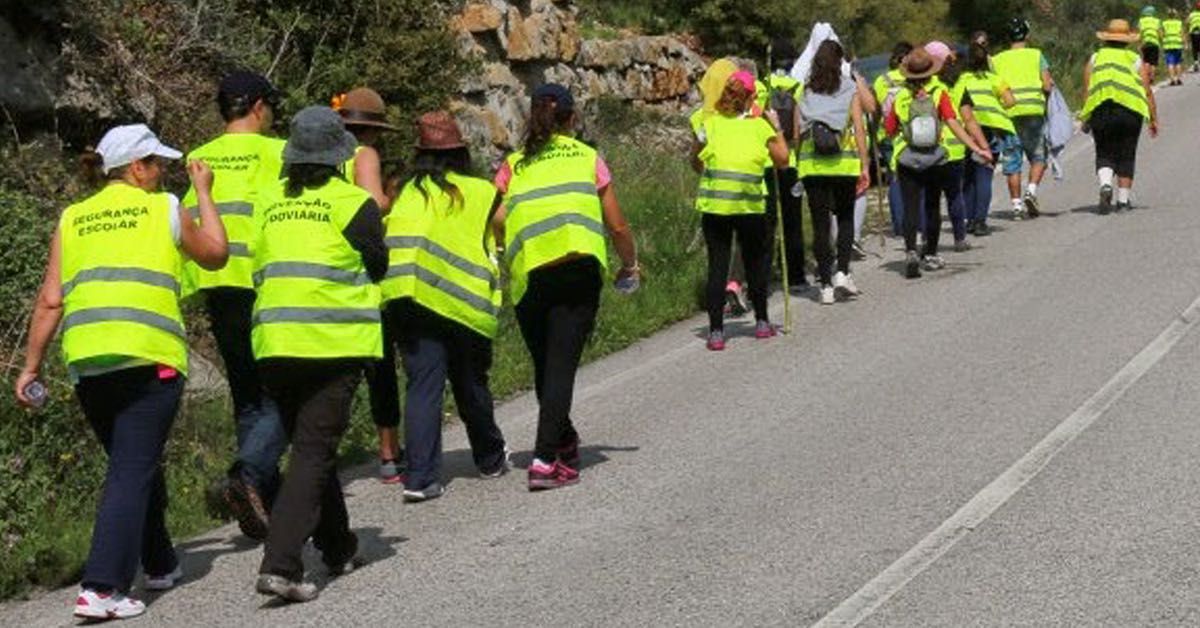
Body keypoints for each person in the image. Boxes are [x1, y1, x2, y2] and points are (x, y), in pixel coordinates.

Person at [15, 124, 228, 620]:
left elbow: (51, 299)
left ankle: (159, 562)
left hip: (89, 362)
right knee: (131, 468)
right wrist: (202, 192)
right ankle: (103, 587)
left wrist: (30, 367)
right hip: (147, 357)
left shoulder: (73, 217)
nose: (162, 173)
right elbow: (216, 254)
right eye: (157, 164)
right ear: (137, 168)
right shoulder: (165, 207)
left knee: (135, 460)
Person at [251, 106, 388, 602]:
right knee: (313, 452)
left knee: (313, 448)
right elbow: (377, 266)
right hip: (333, 344)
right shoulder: (355, 204)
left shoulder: (266, 202)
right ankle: (281, 564)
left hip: (275, 345)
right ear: (339, 158)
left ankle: (337, 547)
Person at [492, 83, 639, 491]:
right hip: (576, 269)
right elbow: (618, 225)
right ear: (571, 118)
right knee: (559, 367)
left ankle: (564, 438)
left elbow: (498, 218)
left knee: (547, 363)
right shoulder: (587, 157)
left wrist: (512, 241)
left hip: (531, 273)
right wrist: (630, 265)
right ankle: (543, 459)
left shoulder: (515, 164)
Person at [380, 112, 509, 502]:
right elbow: (503, 225)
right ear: (460, 153)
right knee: (470, 382)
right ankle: (488, 457)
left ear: (420, 154)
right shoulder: (481, 191)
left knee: (422, 386)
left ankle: (420, 479)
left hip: (407, 298)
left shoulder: (402, 190)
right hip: (460, 302)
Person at [184, 71, 286, 542]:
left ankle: (259, 497)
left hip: (219, 287)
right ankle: (249, 475)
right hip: (267, 286)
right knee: (287, 393)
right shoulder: (277, 152)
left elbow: (190, 224)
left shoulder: (199, 158)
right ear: (260, 106)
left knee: (248, 395)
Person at [333, 87, 404, 484]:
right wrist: (392, 196)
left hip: (330, 265)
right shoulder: (365, 155)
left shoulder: (325, 157)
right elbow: (372, 203)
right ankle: (389, 453)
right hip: (364, 266)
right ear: (373, 129)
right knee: (380, 369)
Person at [691, 71, 789, 348]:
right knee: (755, 262)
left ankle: (716, 332)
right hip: (749, 205)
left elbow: (695, 161)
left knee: (717, 265)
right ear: (747, 98)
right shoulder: (759, 126)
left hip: (715, 206)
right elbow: (782, 160)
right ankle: (760, 322)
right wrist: (777, 127)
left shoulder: (709, 124)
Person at [885, 48, 992, 279]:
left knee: (911, 207)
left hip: (907, 159)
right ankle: (930, 254)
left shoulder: (900, 96)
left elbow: (890, 129)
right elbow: (952, 122)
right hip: (934, 158)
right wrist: (976, 147)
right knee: (932, 206)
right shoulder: (939, 91)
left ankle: (911, 251)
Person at [797, 39, 869, 305]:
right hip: (843, 164)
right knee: (846, 219)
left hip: (812, 166)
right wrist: (864, 163)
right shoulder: (849, 88)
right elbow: (859, 128)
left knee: (820, 224)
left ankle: (825, 285)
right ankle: (842, 272)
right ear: (840, 62)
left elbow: (797, 131)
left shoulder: (804, 90)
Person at [1081, 19, 1159, 214]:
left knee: (1104, 151)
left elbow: (1087, 89)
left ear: (1107, 38)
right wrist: (1153, 117)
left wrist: (1086, 116)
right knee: (1127, 152)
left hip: (1101, 109)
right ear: (1127, 40)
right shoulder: (1134, 59)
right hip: (1129, 112)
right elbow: (1146, 90)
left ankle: (1106, 184)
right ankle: (1123, 201)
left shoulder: (1095, 58)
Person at [927, 41, 991, 252]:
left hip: (929, 149)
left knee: (931, 199)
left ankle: (929, 243)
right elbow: (969, 120)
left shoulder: (925, 85)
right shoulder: (958, 84)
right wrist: (982, 146)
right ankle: (959, 238)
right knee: (955, 195)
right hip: (955, 150)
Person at [992, 17, 1055, 219]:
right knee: (1038, 156)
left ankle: (1017, 206)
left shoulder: (996, 60)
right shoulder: (1036, 55)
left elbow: (995, 88)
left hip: (1008, 114)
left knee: (1012, 160)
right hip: (1034, 111)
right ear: (1026, 34)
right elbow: (1046, 85)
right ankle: (1032, 191)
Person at [762, 38, 810, 293]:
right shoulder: (798, 87)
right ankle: (796, 276)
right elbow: (800, 129)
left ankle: (763, 274)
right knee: (792, 222)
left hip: (767, 163)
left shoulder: (762, 87)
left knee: (767, 221)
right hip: (790, 162)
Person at [960, 32, 1019, 237]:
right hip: (989, 130)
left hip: (966, 131)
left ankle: (968, 219)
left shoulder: (961, 80)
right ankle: (980, 221)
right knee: (984, 175)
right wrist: (997, 105)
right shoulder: (995, 80)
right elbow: (1011, 101)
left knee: (968, 176)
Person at [873, 42, 915, 237]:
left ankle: (899, 225)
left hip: (887, 134)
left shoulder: (882, 81)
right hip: (911, 134)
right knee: (914, 178)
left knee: (895, 177)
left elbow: (875, 109)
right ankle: (914, 222)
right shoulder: (914, 79)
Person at [1162, 8, 1186, 86]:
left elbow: (1162, 35)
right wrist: (1185, 44)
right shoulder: (1179, 23)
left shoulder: (1164, 23)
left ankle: (1172, 80)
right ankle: (1178, 79)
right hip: (1177, 44)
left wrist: (1163, 40)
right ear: (1175, 15)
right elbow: (1182, 34)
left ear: (1168, 15)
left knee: (1170, 63)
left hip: (1168, 45)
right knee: (1178, 62)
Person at [1138, 6, 1164, 73]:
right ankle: (1152, 76)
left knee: (1146, 61)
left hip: (1145, 43)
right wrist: (1162, 42)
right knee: (1153, 62)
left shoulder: (1141, 21)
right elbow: (1160, 33)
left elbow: (1140, 34)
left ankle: (1147, 76)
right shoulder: (1157, 21)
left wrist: (1139, 44)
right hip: (1155, 43)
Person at [1188, 2, 1200, 72]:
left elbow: (1188, 22)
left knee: (1194, 48)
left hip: (1193, 33)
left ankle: (1196, 63)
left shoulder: (1192, 14)